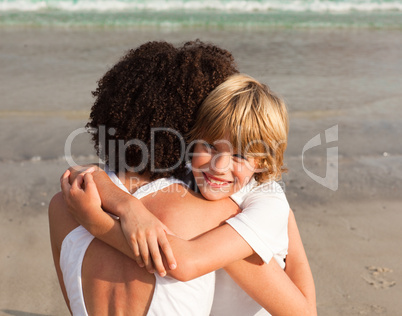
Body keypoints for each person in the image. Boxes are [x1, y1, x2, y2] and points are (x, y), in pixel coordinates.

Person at [50, 41, 316, 315]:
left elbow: (184, 263)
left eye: (239, 155)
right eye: (208, 145)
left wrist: (98, 222)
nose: (220, 165)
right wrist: (123, 207)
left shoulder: (66, 202)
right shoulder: (210, 207)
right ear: (189, 132)